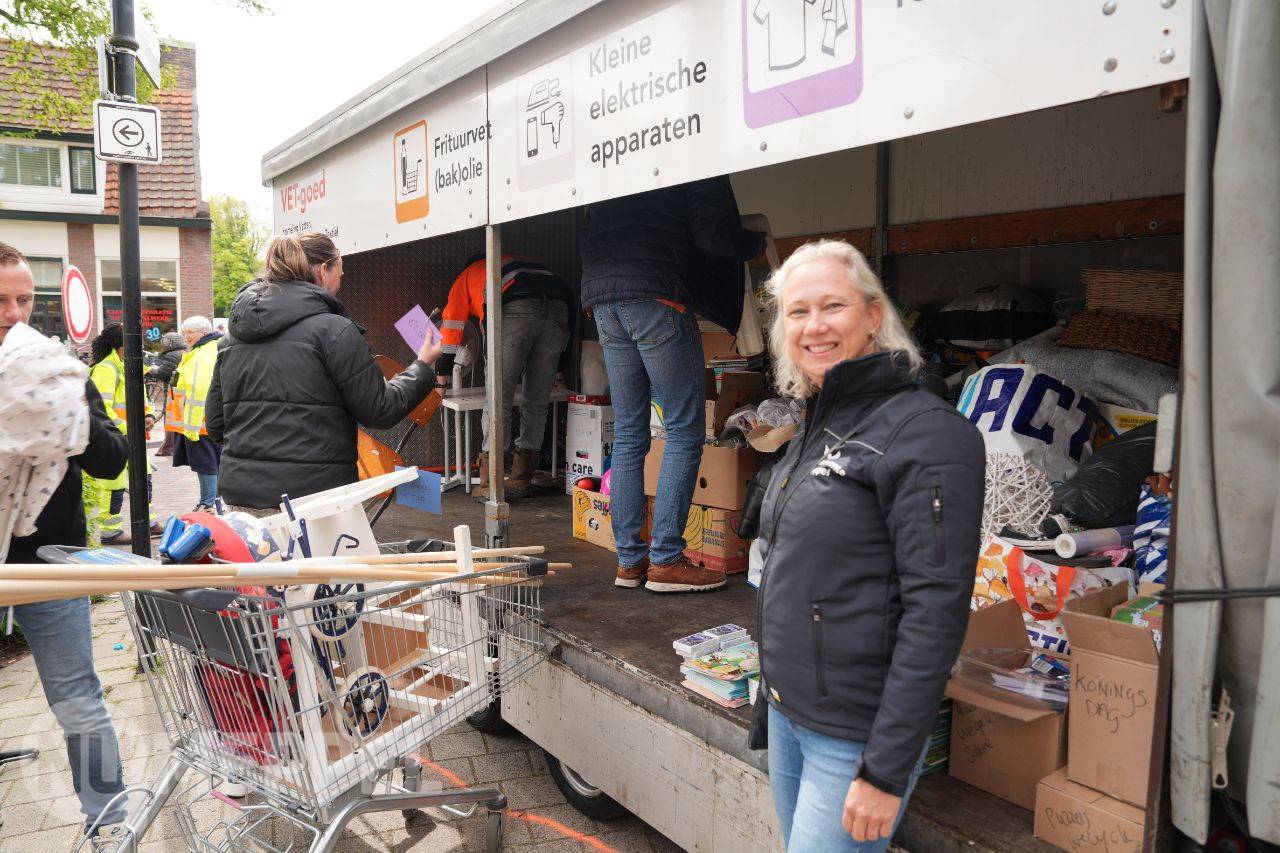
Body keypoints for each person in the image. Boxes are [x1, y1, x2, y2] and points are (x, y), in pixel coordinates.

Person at [753, 240, 984, 852]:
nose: (814, 326)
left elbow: (936, 613)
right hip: (787, 713)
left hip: (851, 737)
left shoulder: (926, 432)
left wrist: (884, 769)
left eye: (833, 306)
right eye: (798, 312)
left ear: (874, 315)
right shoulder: (816, 421)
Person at [0, 242, 130, 841]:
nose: (14, 312)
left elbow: (112, 459)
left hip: (49, 564)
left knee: (77, 698)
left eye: (24, 298)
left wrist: (70, 420)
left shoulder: (55, 371)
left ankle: (109, 824)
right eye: (1, 300)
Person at [580, 176, 764, 593]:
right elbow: (711, 233)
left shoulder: (614, 161)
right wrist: (755, 245)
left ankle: (629, 562)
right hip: (655, 293)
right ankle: (665, 560)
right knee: (684, 430)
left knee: (629, 431)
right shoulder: (692, 154)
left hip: (603, 298)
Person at [207, 232, 444, 513]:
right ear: (323, 271)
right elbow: (379, 410)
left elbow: (216, 425)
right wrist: (422, 365)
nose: (340, 282)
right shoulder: (336, 331)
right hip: (316, 503)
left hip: (244, 502)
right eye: (340, 274)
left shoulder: (230, 339)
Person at [438, 253, 573, 497]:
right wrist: (560, 368)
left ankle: (491, 484)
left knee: (498, 398)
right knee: (537, 401)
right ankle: (522, 478)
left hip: (515, 305)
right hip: (559, 303)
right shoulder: (514, 262)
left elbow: (452, 324)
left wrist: (441, 376)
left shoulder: (467, 276)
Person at [85, 323, 161, 543]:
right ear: (122, 344)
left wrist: (148, 415)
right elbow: (101, 408)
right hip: (117, 436)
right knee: (113, 485)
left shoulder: (129, 366)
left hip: (132, 436)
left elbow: (142, 398)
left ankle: (150, 522)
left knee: (144, 478)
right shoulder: (106, 369)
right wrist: (129, 428)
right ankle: (111, 532)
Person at [169, 316, 222, 511]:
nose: (186, 337)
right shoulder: (208, 349)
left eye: (190, 332)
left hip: (200, 421)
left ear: (203, 332)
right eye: (184, 333)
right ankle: (215, 502)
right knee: (214, 462)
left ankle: (208, 503)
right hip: (207, 419)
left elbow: (200, 387)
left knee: (205, 463)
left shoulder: (202, 353)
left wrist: (191, 426)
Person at [150, 331, 187, 457]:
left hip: (173, 392)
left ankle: (168, 448)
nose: (163, 344)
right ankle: (171, 447)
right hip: (180, 392)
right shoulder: (183, 353)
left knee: (169, 419)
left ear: (171, 343)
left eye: (165, 342)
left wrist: (148, 370)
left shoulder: (172, 355)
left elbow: (162, 373)